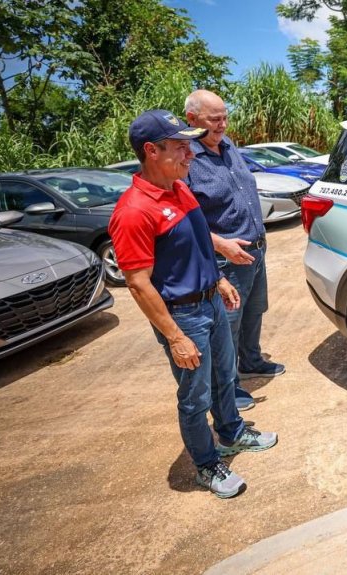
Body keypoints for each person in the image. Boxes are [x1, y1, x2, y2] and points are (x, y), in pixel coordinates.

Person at [108, 109, 278, 499]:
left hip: (209, 303)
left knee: (224, 375)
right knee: (195, 395)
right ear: (151, 150)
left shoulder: (179, 188)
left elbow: (199, 241)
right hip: (182, 315)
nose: (190, 154)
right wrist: (175, 337)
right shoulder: (134, 211)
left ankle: (233, 433)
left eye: (190, 145)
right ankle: (206, 464)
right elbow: (137, 283)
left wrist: (217, 279)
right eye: (181, 147)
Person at [184, 89, 284, 412]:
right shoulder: (187, 160)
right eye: (215, 119)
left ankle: (252, 360)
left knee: (255, 311)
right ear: (192, 119)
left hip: (255, 252)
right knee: (228, 325)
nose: (223, 124)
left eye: (225, 117)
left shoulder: (230, 148)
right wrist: (219, 244)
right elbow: (186, 220)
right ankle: (229, 388)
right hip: (225, 261)